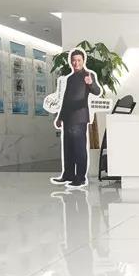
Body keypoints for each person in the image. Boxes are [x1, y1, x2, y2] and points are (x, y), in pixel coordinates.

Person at [50, 48, 102, 189]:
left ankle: (80, 178)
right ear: (71, 62)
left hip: (79, 118)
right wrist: (60, 117)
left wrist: (90, 83)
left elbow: (97, 91)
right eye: (74, 60)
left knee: (79, 149)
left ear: (83, 61)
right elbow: (66, 100)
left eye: (79, 60)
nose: (76, 63)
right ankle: (68, 175)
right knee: (68, 148)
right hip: (68, 118)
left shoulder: (88, 74)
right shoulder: (70, 78)